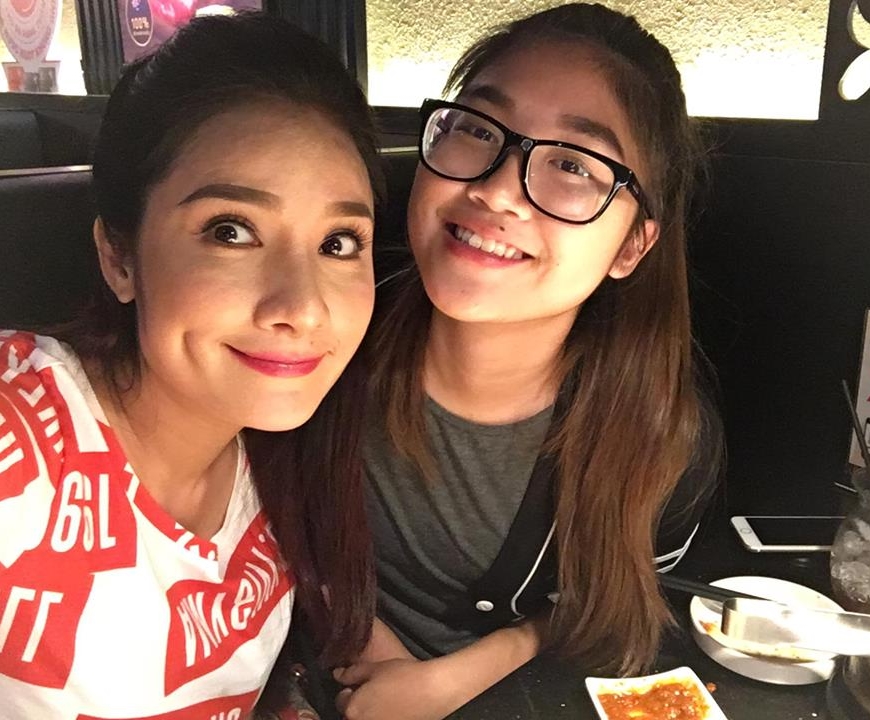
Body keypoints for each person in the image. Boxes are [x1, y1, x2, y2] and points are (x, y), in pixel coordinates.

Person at [334, 4, 722, 719]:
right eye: (478, 130)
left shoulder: (664, 441)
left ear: (632, 246)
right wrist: (359, 633)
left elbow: (620, 603)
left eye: (572, 165)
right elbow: (252, 512)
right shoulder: (318, 335)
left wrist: (456, 678)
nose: (497, 190)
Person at [0, 12, 382, 719]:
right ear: (120, 258)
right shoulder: (19, 442)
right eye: (230, 232)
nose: (302, 308)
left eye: (338, 243)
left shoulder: (284, 450)